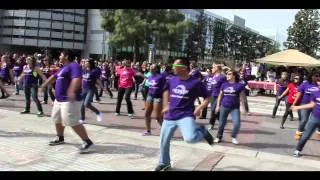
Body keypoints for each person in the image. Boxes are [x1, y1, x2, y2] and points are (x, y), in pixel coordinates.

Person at [155, 59, 214, 172]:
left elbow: (208, 96)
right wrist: (166, 104)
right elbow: (166, 91)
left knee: (190, 138)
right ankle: (164, 163)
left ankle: (202, 131)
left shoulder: (195, 83)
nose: (173, 68)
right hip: (171, 115)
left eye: (175, 65)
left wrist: (199, 107)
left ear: (184, 67)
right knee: (163, 140)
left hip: (185, 115)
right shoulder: (172, 80)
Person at [40, 50, 94, 153]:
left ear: (67, 56)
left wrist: (71, 90)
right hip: (59, 99)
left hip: (69, 100)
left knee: (71, 121)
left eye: (61, 55)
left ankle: (87, 141)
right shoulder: (62, 68)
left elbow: (77, 78)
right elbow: (53, 77)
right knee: (56, 118)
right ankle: (60, 137)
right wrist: (44, 85)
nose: (59, 56)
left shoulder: (74, 66)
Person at [214, 70, 246, 145]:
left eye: (229, 74)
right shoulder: (224, 84)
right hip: (224, 106)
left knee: (237, 123)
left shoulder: (239, 85)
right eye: (227, 74)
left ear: (234, 76)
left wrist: (243, 107)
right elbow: (220, 96)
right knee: (221, 123)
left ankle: (233, 137)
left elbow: (242, 98)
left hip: (235, 108)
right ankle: (219, 137)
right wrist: (218, 106)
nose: (227, 75)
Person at [291, 87, 320, 157]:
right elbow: (312, 104)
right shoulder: (316, 93)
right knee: (306, 135)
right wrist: (298, 107)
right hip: (315, 117)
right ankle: (297, 150)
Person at [292, 72, 320, 140]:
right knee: (304, 120)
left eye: (318, 76)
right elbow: (299, 94)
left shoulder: (318, 85)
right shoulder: (305, 84)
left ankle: (318, 132)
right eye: (316, 76)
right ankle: (299, 133)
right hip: (305, 104)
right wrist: (294, 104)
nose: (317, 77)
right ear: (311, 76)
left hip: (316, 105)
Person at [143, 64, 166, 136]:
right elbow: (146, 79)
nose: (150, 68)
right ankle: (148, 131)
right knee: (146, 113)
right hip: (150, 96)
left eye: (152, 67)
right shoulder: (150, 76)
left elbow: (166, 87)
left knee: (158, 117)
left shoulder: (161, 77)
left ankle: (166, 132)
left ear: (156, 69)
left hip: (158, 97)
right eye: (150, 67)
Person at [80, 59, 103, 123]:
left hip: (91, 89)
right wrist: (80, 87)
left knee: (86, 104)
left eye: (86, 62)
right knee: (81, 104)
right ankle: (82, 119)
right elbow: (82, 79)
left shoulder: (94, 71)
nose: (84, 63)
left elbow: (97, 80)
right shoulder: (84, 70)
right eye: (84, 62)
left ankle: (98, 113)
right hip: (84, 89)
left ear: (90, 63)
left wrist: (102, 87)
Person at [208, 64, 226, 130]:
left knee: (213, 110)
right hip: (212, 95)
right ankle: (221, 120)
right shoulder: (214, 76)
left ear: (217, 69)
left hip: (219, 96)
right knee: (216, 111)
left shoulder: (222, 77)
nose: (212, 69)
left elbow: (225, 86)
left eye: (213, 68)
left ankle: (211, 124)